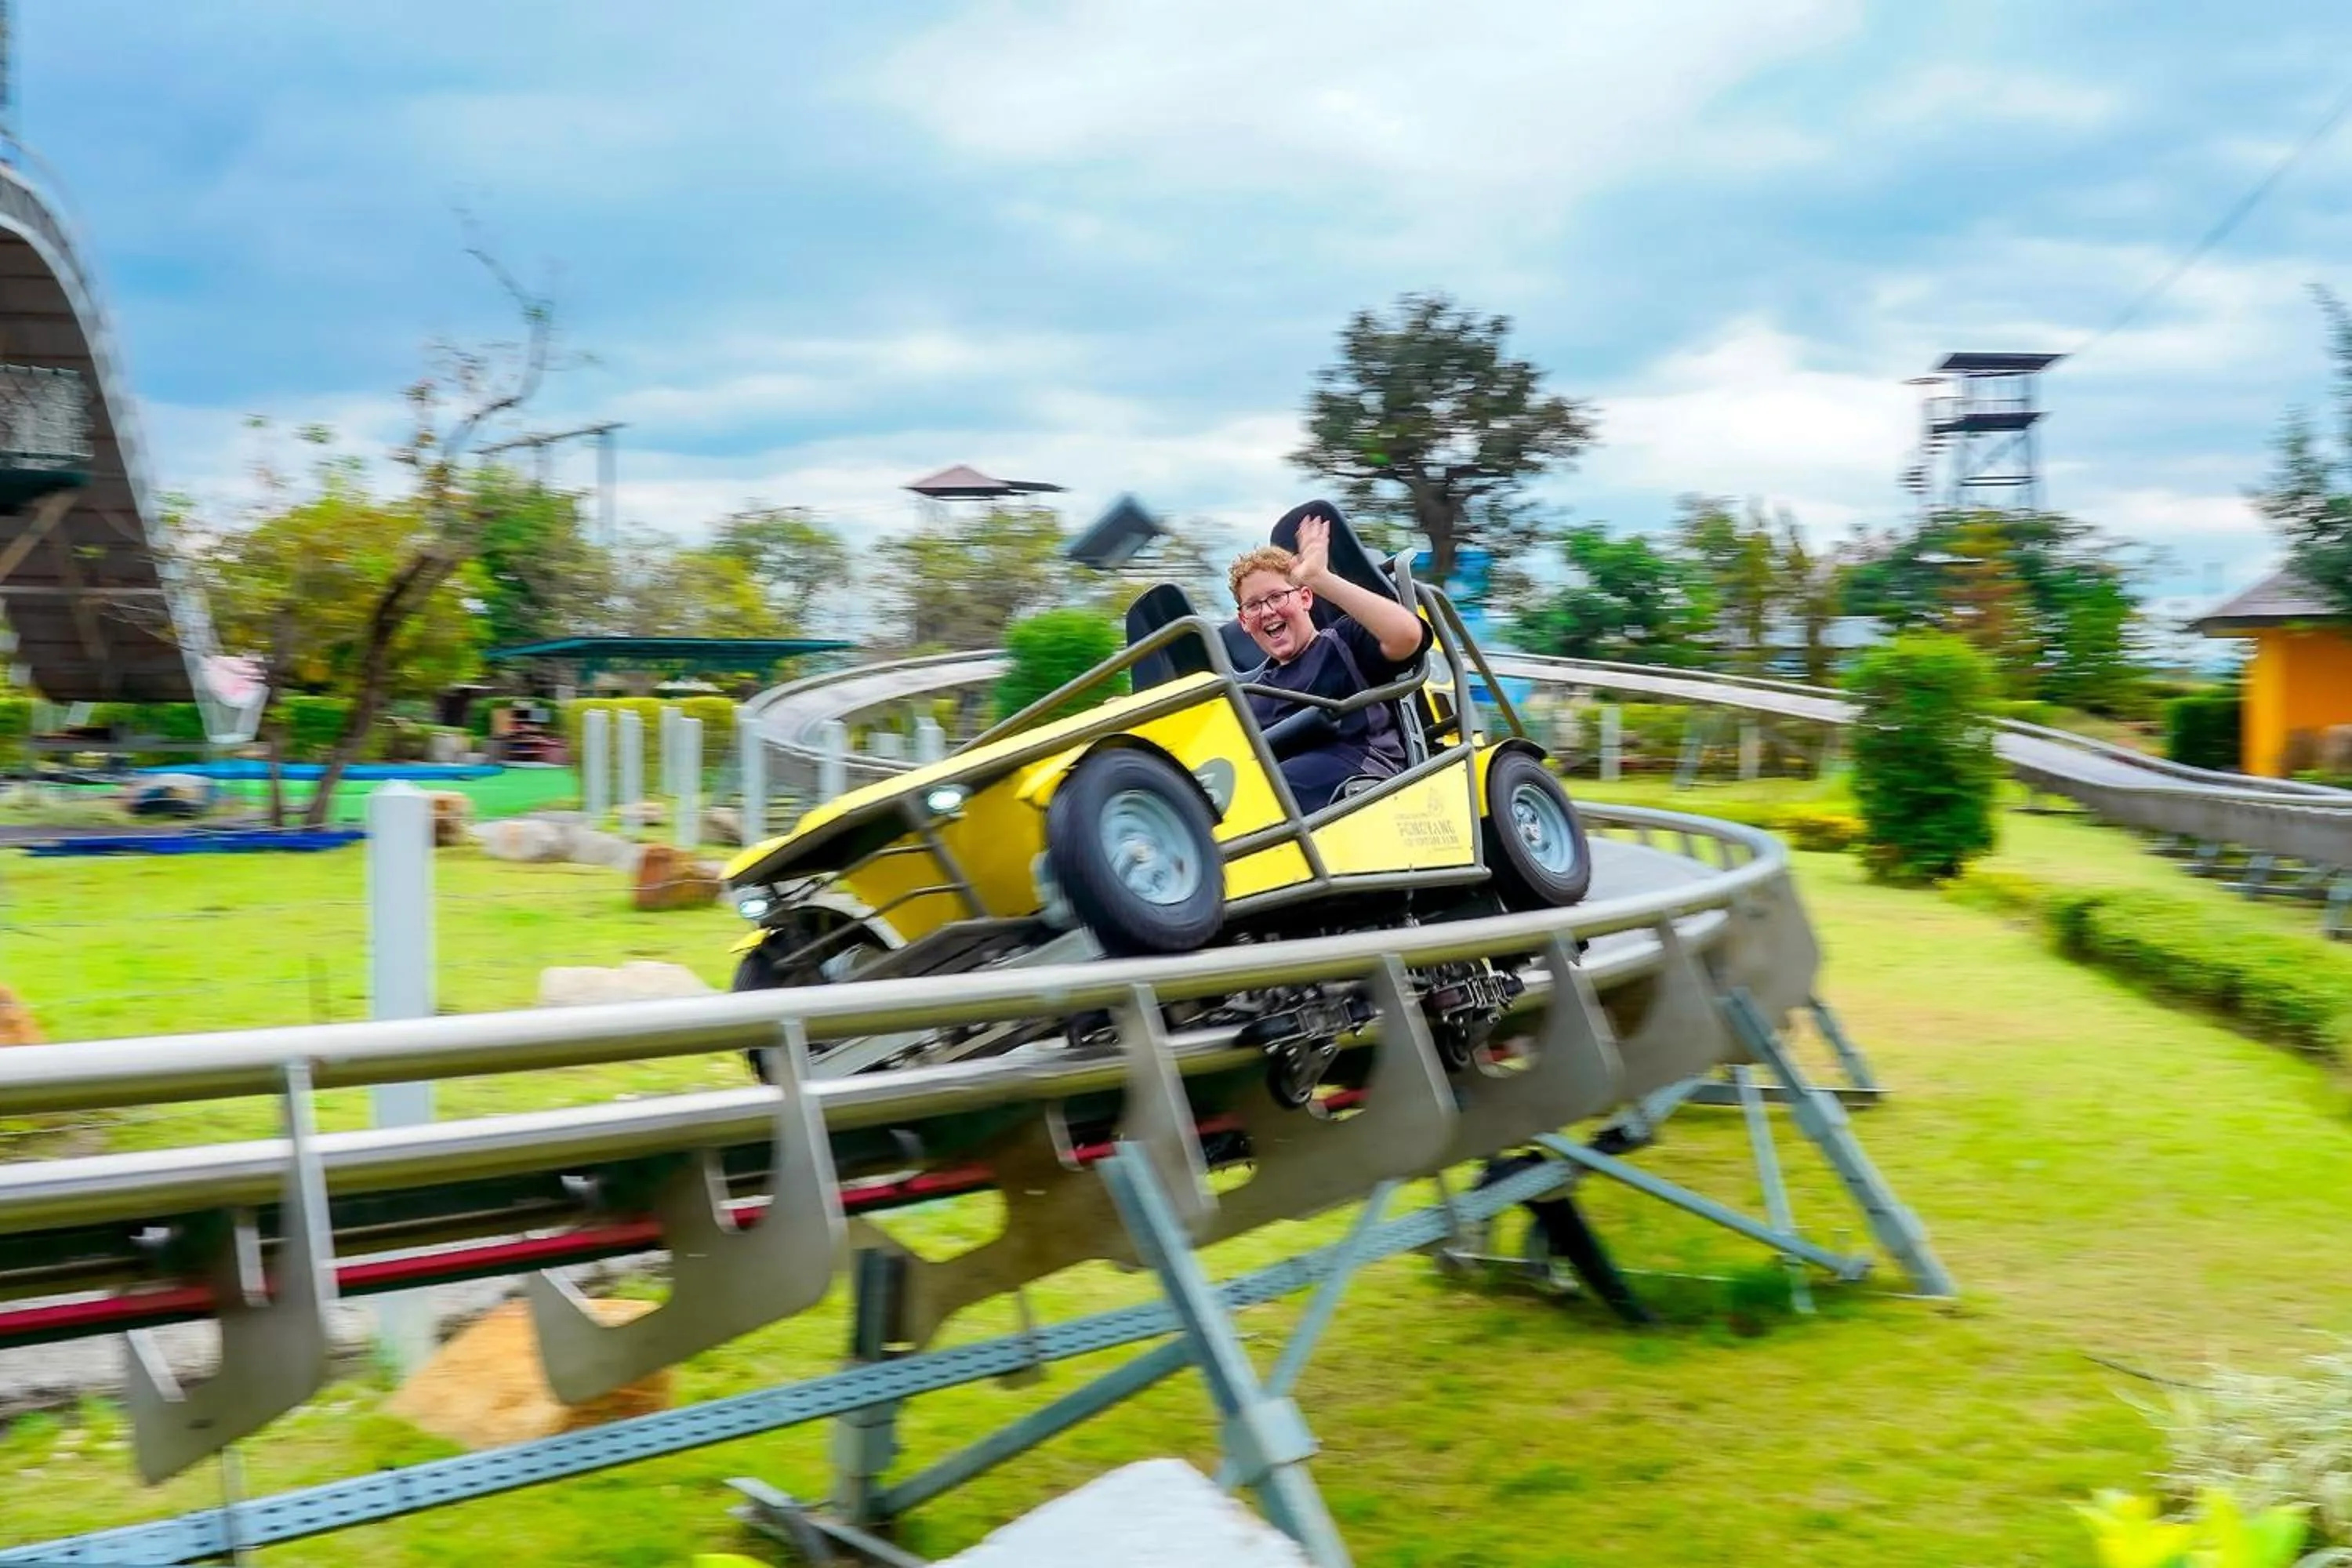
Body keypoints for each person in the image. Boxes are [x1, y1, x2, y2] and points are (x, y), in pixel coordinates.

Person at [1229, 514, 1432, 811]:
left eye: (1277, 597)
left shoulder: (1341, 641)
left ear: (1305, 598)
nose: (1267, 611)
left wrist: (1319, 577)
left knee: (1263, 794)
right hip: (1289, 791)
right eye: (1254, 605)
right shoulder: (1250, 694)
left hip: (1359, 774)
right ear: (1244, 621)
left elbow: (1407, 636)